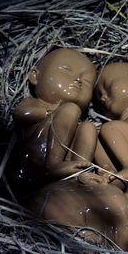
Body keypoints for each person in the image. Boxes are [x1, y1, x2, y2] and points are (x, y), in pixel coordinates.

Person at [11, 48, 98, 194]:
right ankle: (53, 164)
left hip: (60, 178)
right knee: (71, 109)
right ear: (34, 76)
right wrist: (50, 111)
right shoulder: (37, 103)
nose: (78, 80)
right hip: (32, 167)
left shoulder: (75, 121)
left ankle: (81, 171)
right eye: (65, 70)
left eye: (87, 81)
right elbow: (21, 113)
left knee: (88, 127)